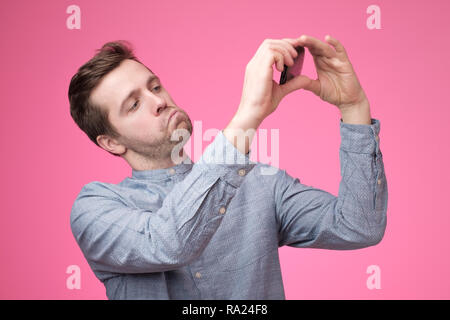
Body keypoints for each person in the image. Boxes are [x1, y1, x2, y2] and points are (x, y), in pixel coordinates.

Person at [68, 34, 387, 299]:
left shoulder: (261, 184)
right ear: (111, 142)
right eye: (134, 104)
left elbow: (357, 226)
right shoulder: (95, 209)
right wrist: (248, 115)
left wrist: (354, 107)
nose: (159, 101)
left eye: (154, 87)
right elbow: (169, 242)